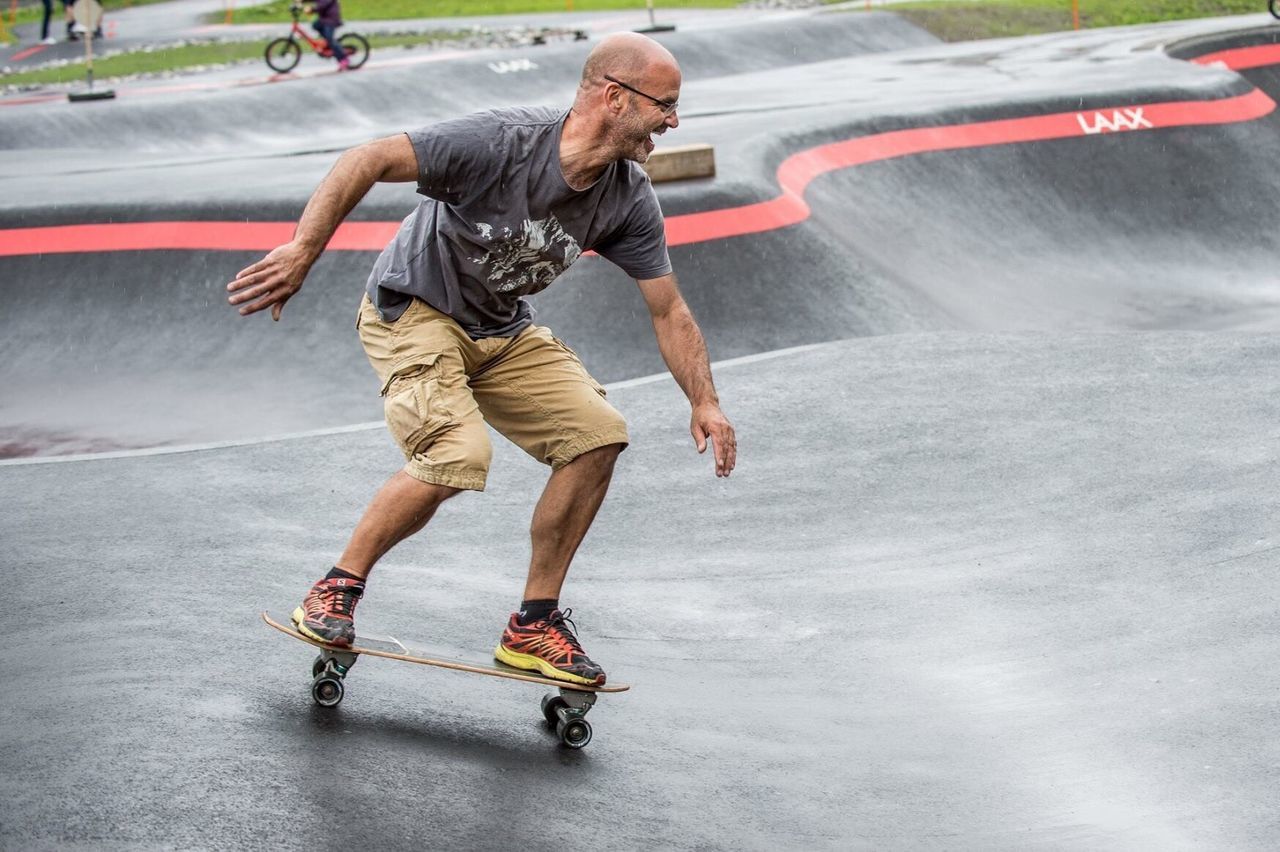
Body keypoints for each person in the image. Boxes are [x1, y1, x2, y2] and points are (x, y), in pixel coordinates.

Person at [226, 32, 736, 686]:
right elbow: (369, 157)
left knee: (597, 437)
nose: (672, 120)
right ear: (614, 97)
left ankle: (533, 624)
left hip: (501, 329)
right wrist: (302, 249)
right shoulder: (500, 143)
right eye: (664, 105)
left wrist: (704, 400)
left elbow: (669, 309)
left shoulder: (627, 196)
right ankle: (334, 589)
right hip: (415, 311)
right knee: (455, 455)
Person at [306, 0, 348, 71]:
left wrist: (312, 9)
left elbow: (323, 5)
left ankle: (343, 59)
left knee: (330, 39)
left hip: (331, 19)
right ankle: (327, 43)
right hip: (324, 19)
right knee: (315, 25)